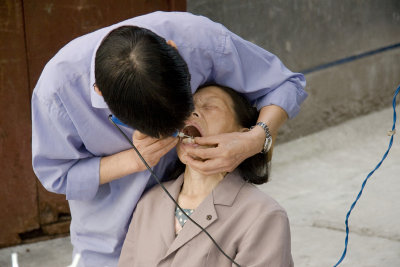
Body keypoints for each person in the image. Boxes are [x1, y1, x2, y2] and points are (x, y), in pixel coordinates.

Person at [31, 11, 306, 266]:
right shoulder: (57, 92)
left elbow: (284, 84)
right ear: (100, 93)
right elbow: (58, 174)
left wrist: (258, 138)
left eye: (204, 107)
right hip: (107, 240)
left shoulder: (201, 41)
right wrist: (133, 160)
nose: (185, 125)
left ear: (175, 50)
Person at [118, 84, 293, 267]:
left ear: (242, 136)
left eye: (210, 107)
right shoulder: (149, 202)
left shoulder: (264, 215)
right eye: (188, 107)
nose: (193, 113)